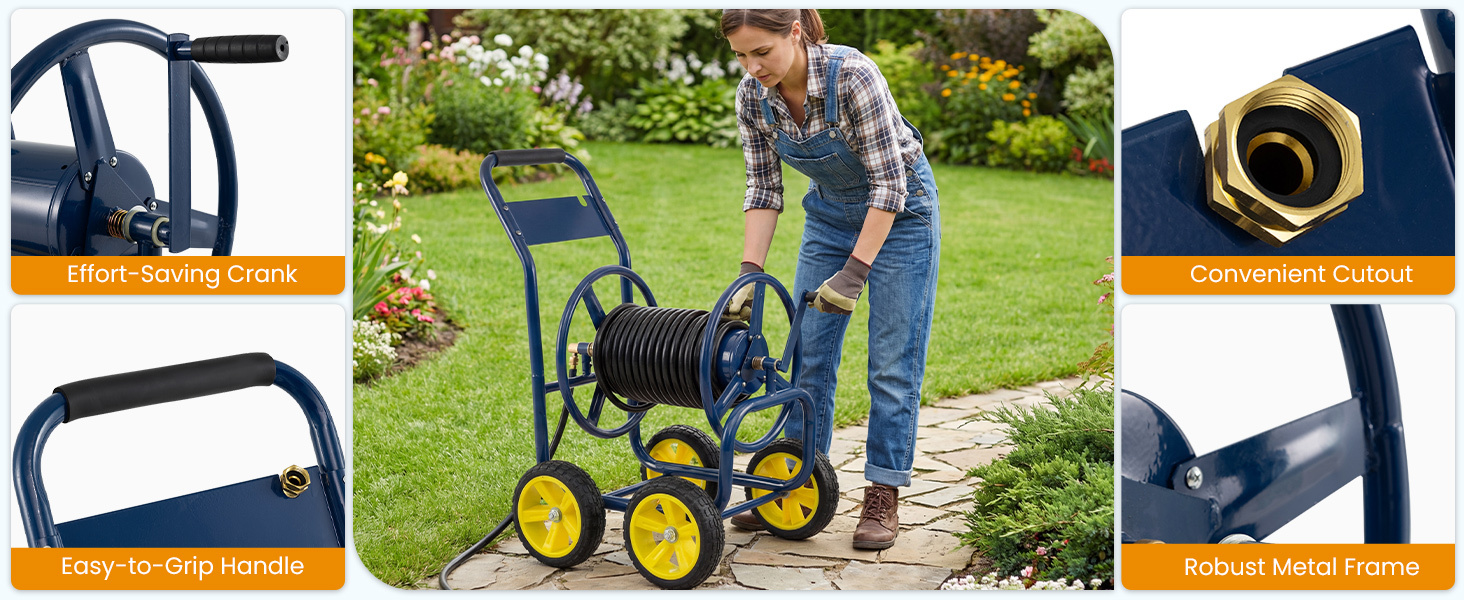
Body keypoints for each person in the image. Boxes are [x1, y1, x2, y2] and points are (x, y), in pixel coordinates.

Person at [722, 9, 941, 550]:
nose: (752, 68)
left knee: (892, 361)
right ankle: (796, 481)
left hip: (902, 216)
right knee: (809, 355)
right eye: (741, 56)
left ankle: (883, 491)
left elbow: (890, 186)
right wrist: (749, 274)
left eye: (762, 53)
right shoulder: (753, 97)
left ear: (795, 33)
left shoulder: (853, 76)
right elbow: (762, 188)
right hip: (827, 217)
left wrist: (855, 272)